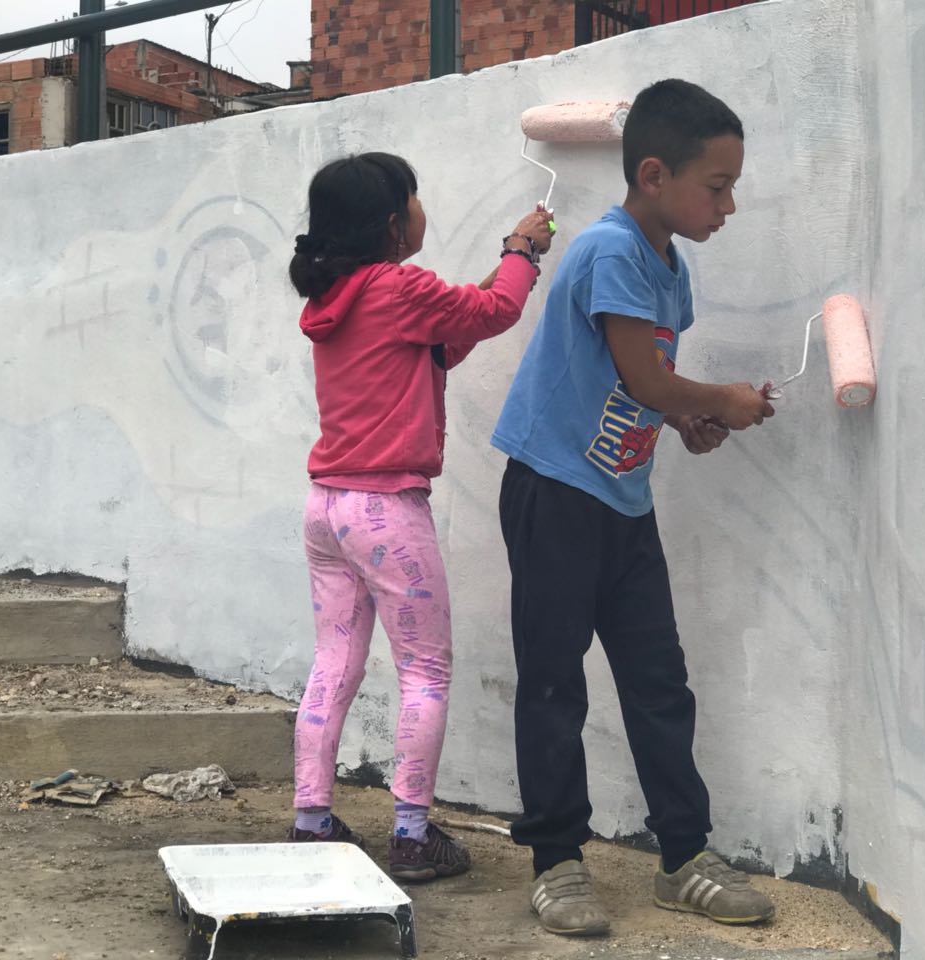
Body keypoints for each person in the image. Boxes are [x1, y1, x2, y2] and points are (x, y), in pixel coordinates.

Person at [490, 79, 777, 933]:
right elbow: (644, 376)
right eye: (716, 186)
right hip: (555, 493)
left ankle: (684, 856)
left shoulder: (666, 267)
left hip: (621, 498)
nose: (730, 203)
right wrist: (714, 398)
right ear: (654, 174)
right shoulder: (611, 251)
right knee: (553, 684)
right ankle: (558, 862)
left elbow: (649, 392)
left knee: (659, 682)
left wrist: (689, 420)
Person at [288, 152, 553, 882]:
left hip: (326, 510)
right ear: (394, 225)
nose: (421, 208)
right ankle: (410, 835)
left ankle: (312, 819)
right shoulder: (400, 287)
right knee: (426, 671)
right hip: (385, 513)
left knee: (333, 663)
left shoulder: (335, 294)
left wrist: (499, 272)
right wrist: (521, 251)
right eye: (416, 197)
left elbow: (442, 341)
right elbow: (493, 310)